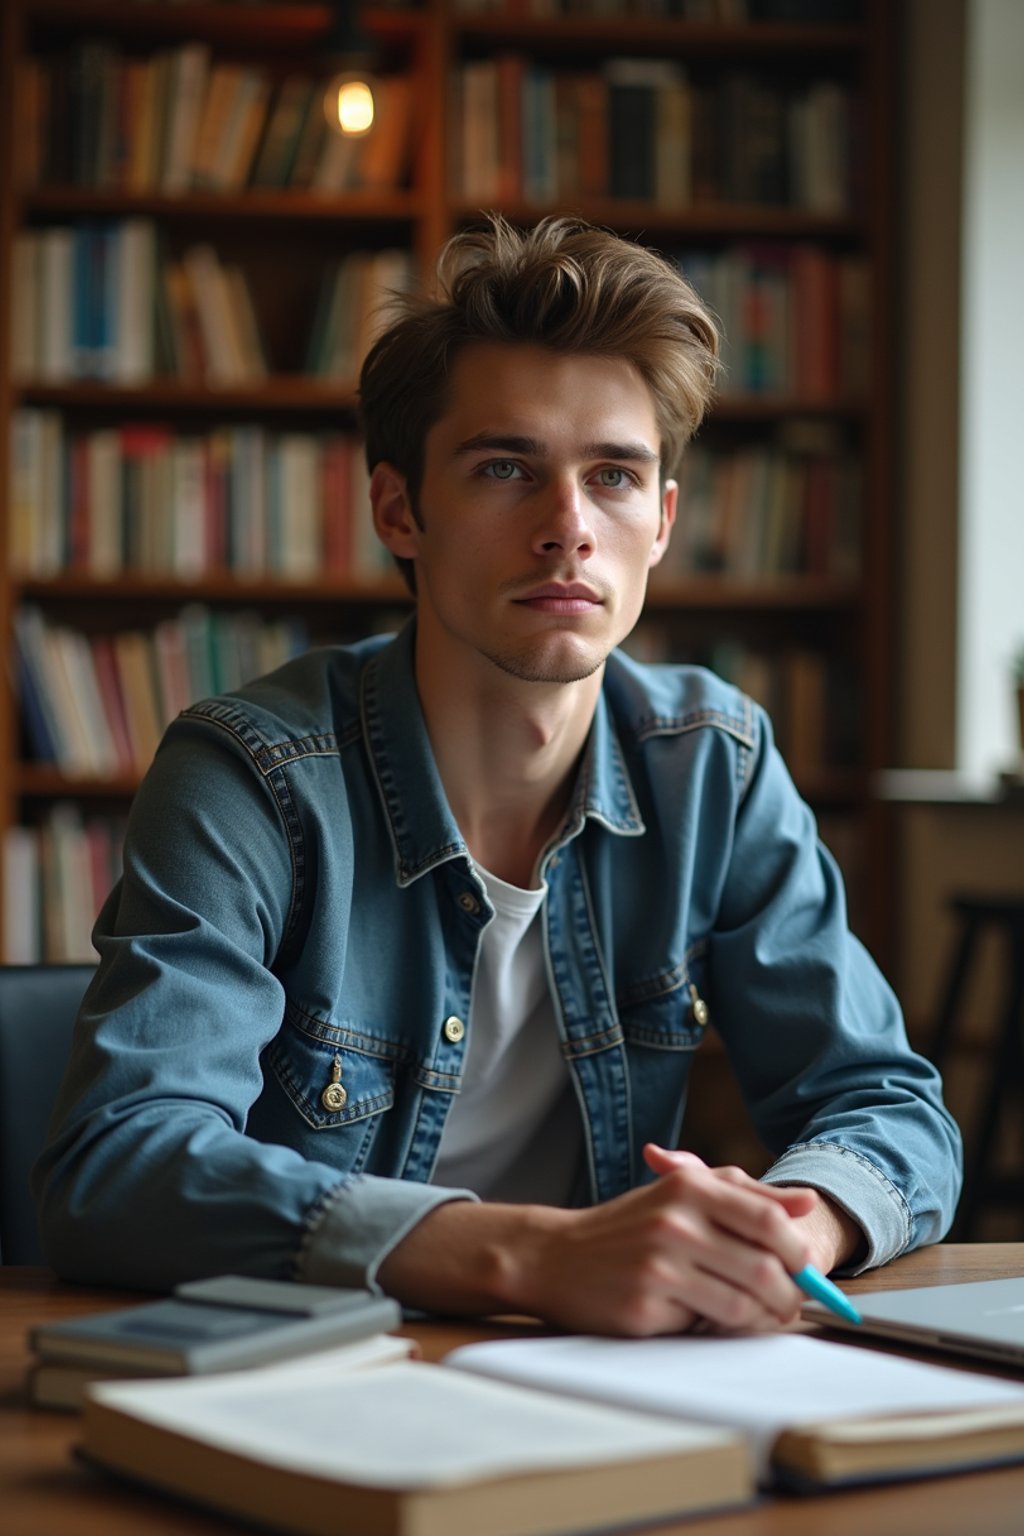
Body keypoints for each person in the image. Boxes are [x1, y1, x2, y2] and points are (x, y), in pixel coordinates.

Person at [35, 215, 961, 1337]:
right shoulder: (251, 773)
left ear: (661, 523)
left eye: (613, 475)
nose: (568, 527)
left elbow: (883, 1103)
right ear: (398, 510)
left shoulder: (711, 762)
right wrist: (533, 1253)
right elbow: (120, 1163)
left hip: (608, 1371)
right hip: (334, 1373)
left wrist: (794, 1226)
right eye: (505, 468)